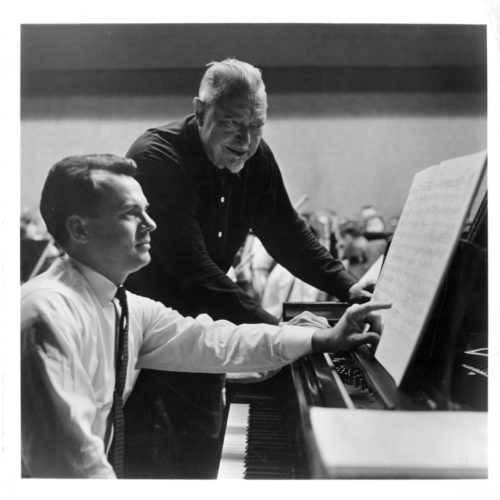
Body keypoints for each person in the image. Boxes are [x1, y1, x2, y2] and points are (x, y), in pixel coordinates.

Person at [20, 153, 389, 478]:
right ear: (79, 229)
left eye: (147, 210)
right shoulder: (47, 316)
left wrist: (319, 339)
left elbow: (212, 340)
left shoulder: (124, 304)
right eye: (131, 214)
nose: (152, 225)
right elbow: (71, 468)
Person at [125, 58, 373, 478]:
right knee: (154, 469)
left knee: (201, 462)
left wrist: (351, 289)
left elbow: (287, 233)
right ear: (200, 111)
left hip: (209, 334)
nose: (247, 140)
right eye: (232, 123)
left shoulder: (255, 157)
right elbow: (194, 271)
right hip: (151, 344)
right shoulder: (158, 158)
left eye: (258, 125)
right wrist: (284, 335)